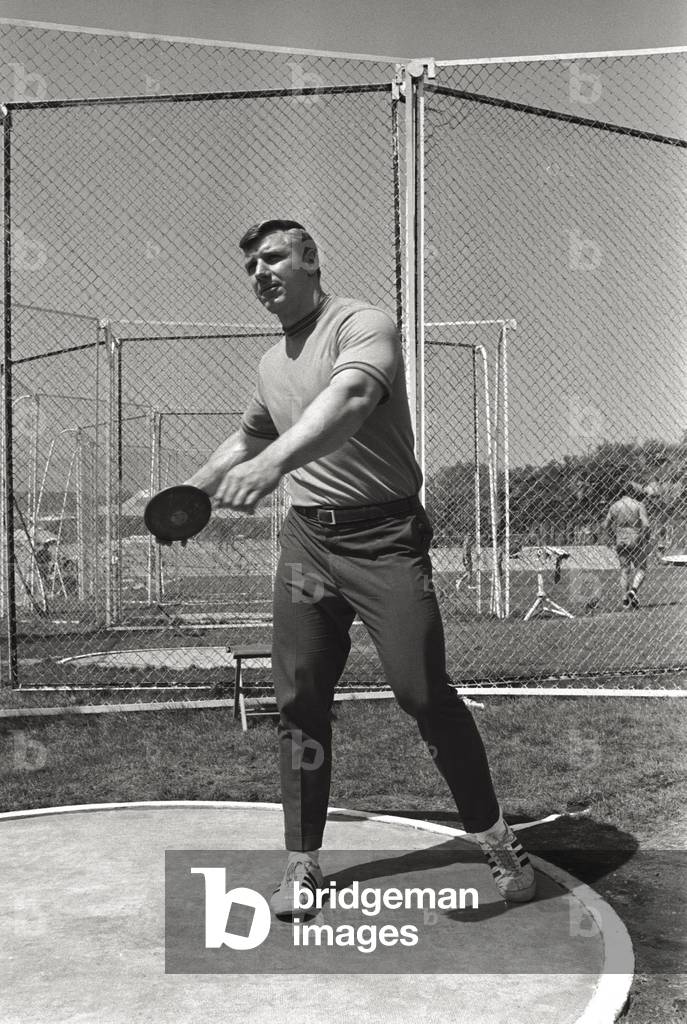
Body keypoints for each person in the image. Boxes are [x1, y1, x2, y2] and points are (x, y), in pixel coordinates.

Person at [186, 219, 536, 916]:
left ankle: (495, 837)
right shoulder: (270, 361)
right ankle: (302, 862)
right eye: (250, 263)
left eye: (274, 256)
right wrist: (191, 492)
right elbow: (252, 431)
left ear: (311, 260)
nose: (260, 271)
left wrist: (268, 466)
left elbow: (347, 402)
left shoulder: (363, 323)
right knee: (298, 700)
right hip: (308, 544)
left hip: (385, 537)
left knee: (420, 693)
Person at [603, 483, 651, 608]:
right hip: (635, 538)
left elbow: (606, 525)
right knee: (641, 567)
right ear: (633, 493)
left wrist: (612, 537)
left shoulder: (615, 506)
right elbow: (646, 525)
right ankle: (633, 590)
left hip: (621, 539)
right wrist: (643, 537)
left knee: (624, 570)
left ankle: (625, 600)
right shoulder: (639, 505)